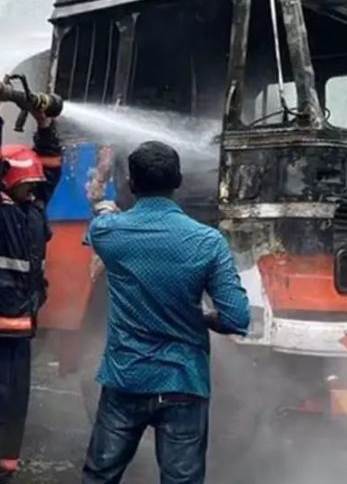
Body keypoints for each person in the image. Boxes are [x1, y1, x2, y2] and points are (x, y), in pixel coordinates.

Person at [80, 141, 251, 484]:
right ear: (179, 182)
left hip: (126, 377)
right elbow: (237, 319)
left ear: (131, 185)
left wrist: (103, 203)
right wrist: (198, 315)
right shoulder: (208, 241)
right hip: (184, 381)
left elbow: (102, 223)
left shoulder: (108, 233)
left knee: (100, 475)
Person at [0, 108, 63, 483]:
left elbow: (50, 170)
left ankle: (3, 472)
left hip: (21, 329)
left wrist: (45, 126)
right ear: (7, 181)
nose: (34, 190)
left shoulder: (32, 209)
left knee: (13, 411)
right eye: (26, 184)